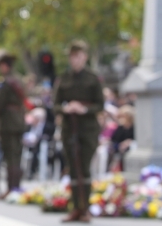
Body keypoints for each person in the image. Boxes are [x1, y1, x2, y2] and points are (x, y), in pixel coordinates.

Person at [53, 40, 104, 223]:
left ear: (85, 57)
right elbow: (55, 104)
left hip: (88, 128)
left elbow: (100, 105)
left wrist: (84, 109)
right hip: (69, 127)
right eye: (72, 56)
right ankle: (76, 207)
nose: (75, 59)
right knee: (73, 168)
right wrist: (66, 108)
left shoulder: (93, 78)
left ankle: (86, 208)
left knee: (84, 167)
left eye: (78, 55)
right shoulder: (64, 78)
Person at [0, 49, 26, 200]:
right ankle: (16, 186)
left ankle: (11, 188)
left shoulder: (6, 82)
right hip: (19, 121)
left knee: (10, 156)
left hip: (8, 124)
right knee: (17, 155)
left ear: (5, 66)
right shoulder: (19, 79)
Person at [109, 105, 135, 171]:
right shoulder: (120, 128)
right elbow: (114, 140)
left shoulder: (135, 127)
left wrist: (129, 142)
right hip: (119, 149)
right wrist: (120, 145)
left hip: (131, 147)